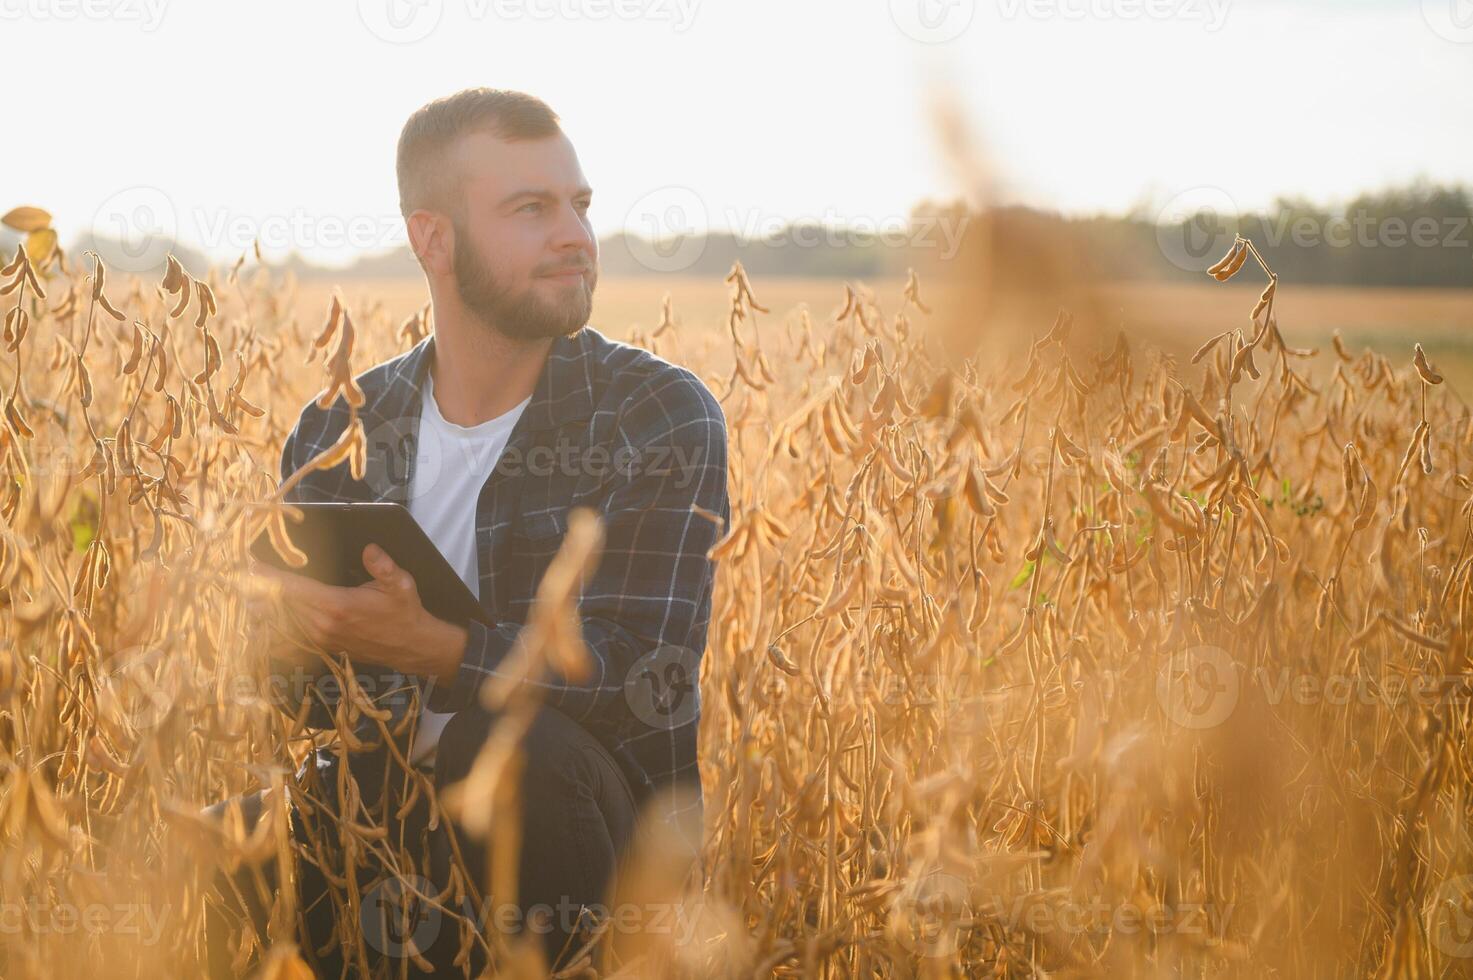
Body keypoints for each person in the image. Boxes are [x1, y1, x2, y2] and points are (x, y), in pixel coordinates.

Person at [205, 87, 729, 976]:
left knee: (508, 745)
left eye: (580, 205)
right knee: (224, 834)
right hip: (376, 807)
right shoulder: (340, 428)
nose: (575, 234)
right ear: (433, 239)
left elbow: (646, 677)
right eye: (531, 209)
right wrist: (283, 625)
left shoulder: (656, 413)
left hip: (586, 836)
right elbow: (291, 706)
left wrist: (438, 647)